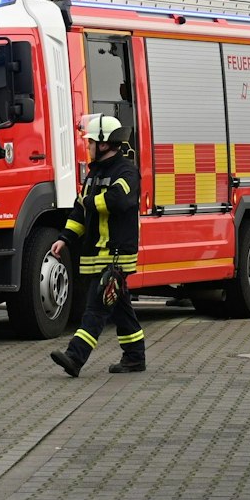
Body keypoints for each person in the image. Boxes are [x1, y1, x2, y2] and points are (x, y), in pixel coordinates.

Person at [49, 115, 144, 376]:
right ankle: (135, 357)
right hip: (97, 254)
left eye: (90, 141)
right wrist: (64, 238)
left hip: (115, 255)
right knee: (121, 309)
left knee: (96, 308)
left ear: (103, 144)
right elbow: (80, 213)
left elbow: (119, 200)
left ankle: (74, 357)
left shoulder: (126, 171)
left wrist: (89, 202)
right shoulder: (94, 174)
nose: (87, 146)